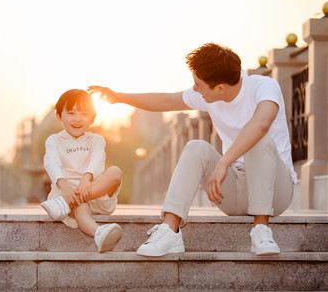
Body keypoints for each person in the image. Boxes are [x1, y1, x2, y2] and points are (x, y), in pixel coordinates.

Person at [88, 43, 296, 256]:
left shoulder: (263, 87)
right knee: (196, 146)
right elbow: (166, 100)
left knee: (257, 139)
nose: (195, 88)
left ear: (220, 88)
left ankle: (261, 229)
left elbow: (261, 124)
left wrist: (224, 162)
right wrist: (119, 97)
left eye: (198, 84)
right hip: (234, 192)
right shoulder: (207, 95)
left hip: (275, 193)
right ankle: (170, 230)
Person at [41, 89, 123, 253]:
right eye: (71, 113)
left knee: (115, 172)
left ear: (92, 119)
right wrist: (64, 186)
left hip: (93, 192)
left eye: (84, 114)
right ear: (59, 116)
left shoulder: (96, 140)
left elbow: (98, 159)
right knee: (80, 206)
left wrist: (87, 178)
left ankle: (68, 202)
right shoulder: (54, 140)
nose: (77, 119)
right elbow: (52, 163)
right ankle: (99, 233)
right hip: (66, 193)